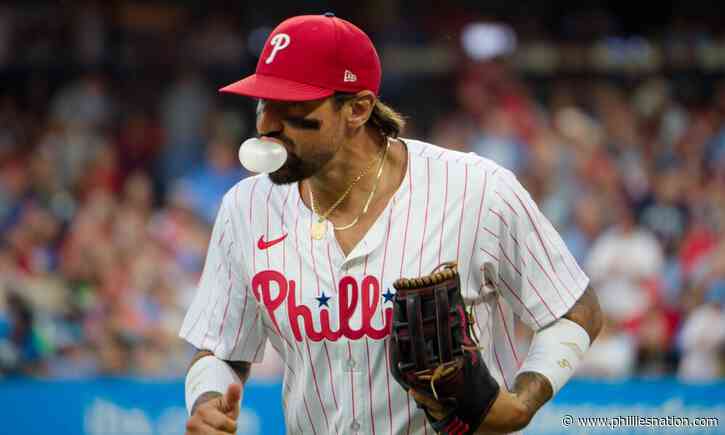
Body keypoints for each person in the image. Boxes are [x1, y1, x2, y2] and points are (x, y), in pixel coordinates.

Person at [180, 13, 603, 435]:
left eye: (291, 107)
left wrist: (523, 402)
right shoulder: (245, 208)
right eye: (262, 102)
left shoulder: (476, 190)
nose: (267, 126)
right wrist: (207, 402)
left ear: (358, 109)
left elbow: (574, 308)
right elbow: (221, 350)